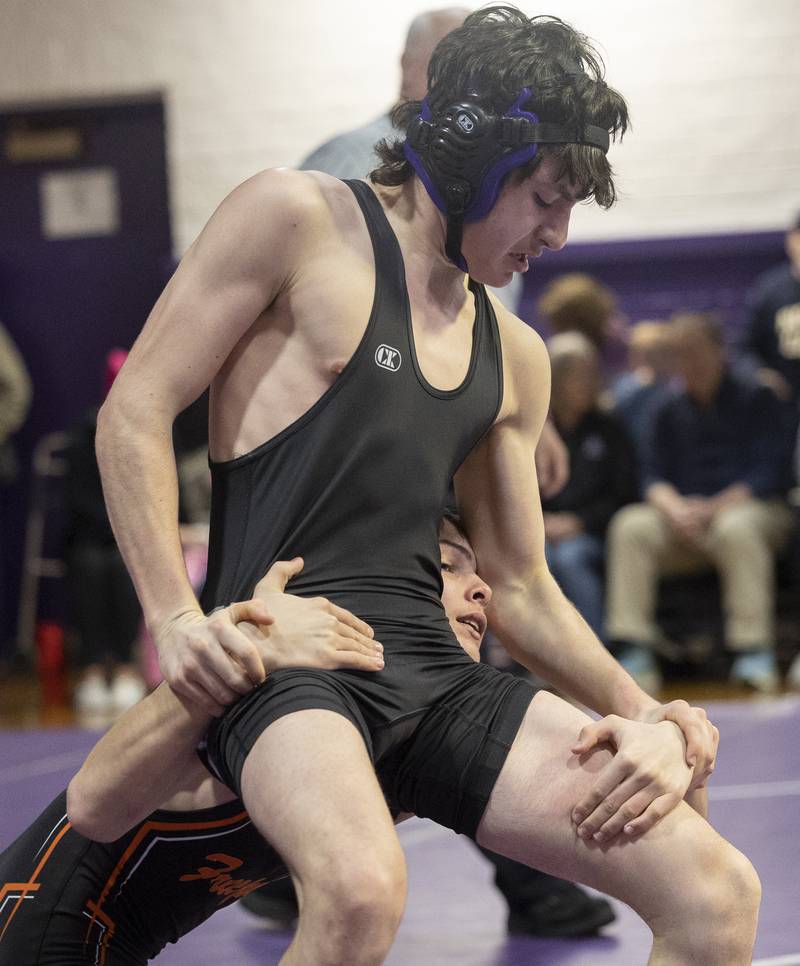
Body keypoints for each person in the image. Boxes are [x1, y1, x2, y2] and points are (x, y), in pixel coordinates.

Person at [93, 9, 752, 965]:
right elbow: (135, 411)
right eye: (544, 197)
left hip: (438, 676)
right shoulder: (295, 219)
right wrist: (175, 620)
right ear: (477, 157)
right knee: (361, 892)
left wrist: (645, 711)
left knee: (717, 891)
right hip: (294, 662)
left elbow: (519, 586)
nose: (560, 235)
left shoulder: (514, 353)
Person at [0, 515, 613, 962]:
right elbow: (94, 790)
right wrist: (246, 647)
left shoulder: (405, 726)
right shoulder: (269, 691)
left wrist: (643, 734)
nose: (481, 589)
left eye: (478, 575)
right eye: (449, 567)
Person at [606, 311, 796, 693]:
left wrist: (714, 507)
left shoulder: (757, 396)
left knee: (736, 528)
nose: (688, 362)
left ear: (719, 349)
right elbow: (651, 475)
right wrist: (674, 508)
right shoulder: (665, 407)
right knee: (631, 526)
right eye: (680, 353)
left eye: (695, 351)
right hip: (687, 520)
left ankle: (752, 651)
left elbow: (769, 473)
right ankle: (635, 649)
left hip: (752, 512)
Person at [64, 349, 146, 722]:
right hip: (93, 534)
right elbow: (77, 494)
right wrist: (108, 523)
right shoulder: (85, 431)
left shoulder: (150, 428)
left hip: (134, 535)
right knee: (90, 565)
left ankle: (128, 663)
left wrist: (127, 528)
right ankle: (94, 664)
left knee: (124, 566)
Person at [541, 332, 637, 641]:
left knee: (570, 558)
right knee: (534, 561)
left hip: (593, 531)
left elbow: (624, 492)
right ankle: (537, 655)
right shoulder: (536, 428)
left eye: (590, 374)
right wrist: (540, 522)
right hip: (539, 529)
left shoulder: (609, 426)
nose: (586, 383)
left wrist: (580, 522)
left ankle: (596, 647)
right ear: (554, 379)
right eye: (575, 375)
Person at [612, 318, 677, 472]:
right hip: (630, 465)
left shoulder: (676, 388)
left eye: (664, 352)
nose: (658, 359)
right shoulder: (626, 386)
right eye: (647, 353)